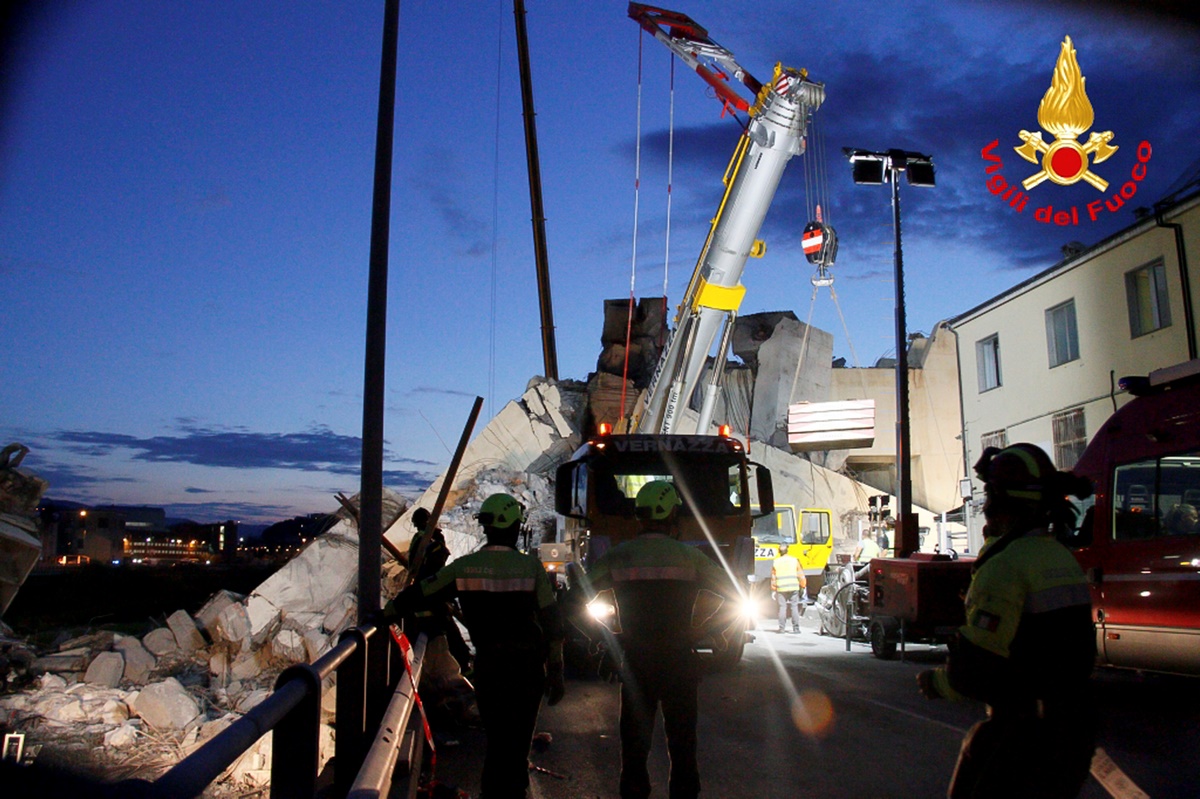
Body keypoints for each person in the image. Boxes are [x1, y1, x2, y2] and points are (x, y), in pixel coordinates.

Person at [917, 443, 1096, 799]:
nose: (983, 509)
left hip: (1019, 739)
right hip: (1072, 736)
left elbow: (976, 666)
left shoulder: (1005, 565)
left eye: (987, 497)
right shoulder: (1058, 556)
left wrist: (936, 683)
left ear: (1001, 503)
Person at [385, 493, 565, 799]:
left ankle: (492, 793)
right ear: (514, 528)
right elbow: (553, 624)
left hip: (490, 669)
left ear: (486, 527)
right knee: (519, 743)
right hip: (527, 669)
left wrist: (385, 614)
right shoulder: (531, 569)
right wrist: (557, 669)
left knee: (496, 743)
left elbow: (420, 593)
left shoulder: (464, 568)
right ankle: (516, 791)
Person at [575, 480, 739, 799]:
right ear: (672, 514)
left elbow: (572, 602)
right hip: (680, 662)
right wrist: (704, 630)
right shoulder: (690, 558)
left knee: (634, 749)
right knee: (682, 748)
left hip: (635, 663)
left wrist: (606, 639)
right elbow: (735, 596)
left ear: (639, 516)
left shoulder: (619, 557)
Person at [771, 544, 805, 633]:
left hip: (781, 588)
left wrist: (774, 589)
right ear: (787, 550)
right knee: (794, 607)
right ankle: (796, 629)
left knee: (782, 607)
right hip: (794, 587)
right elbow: (801, 575)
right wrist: (803, 586)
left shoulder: (776, 562)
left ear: (779, 551)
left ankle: (782, 629)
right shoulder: (794, 560)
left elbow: (773, 578)